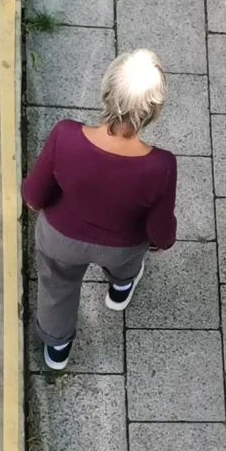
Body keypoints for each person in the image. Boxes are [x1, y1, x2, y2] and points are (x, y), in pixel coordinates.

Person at [22, 49, 177, 370]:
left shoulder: (65, 135)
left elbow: (34, 195)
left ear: (106, 91)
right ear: (154, 111)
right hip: (121, 246)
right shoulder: (162, 165)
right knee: (129, 262)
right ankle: (120, 289)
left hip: (61, 238)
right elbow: (159, 226)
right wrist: (161, 242)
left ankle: (57, 348)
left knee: (57, 285)